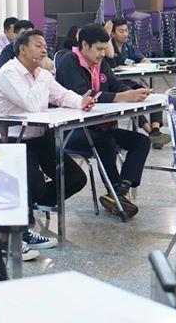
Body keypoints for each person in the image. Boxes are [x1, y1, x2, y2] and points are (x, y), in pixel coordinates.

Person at [0, 29, 91, 248]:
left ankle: (34, 203)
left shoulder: (39, 73)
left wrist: (81, 102)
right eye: (38, 45)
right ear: (22, 49)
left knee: (75, 178)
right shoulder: (9, 73)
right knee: (32, 181)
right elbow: (32, 104)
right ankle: (23, 230)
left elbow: (62, 95)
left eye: (45, 45)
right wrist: (46, 73)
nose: (44, 50)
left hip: (39, 137)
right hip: (13, 141)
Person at [56, 24, 151, 218]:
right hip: (71, 130)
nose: (102, 54)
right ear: (84, 45)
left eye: (104, 49)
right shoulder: (69, 61)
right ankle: (116, 192)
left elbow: (115, 85)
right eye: (99, 49)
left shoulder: (100, 63)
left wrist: (134, 94)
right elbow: (82, 95)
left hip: (99, 126)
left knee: (142, 141)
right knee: (104, 140)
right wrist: (122, 97)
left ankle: (120, 191)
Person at [105, 18, 171, 149]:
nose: (125, 34)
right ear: (112, 34)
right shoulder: (108, 47)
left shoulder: (129, 48)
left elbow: (145, 61)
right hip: (115, 87)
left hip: (129, 82)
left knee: (150, 95)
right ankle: (151, 133)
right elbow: (109, 61)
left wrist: (135, 65)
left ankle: (155, 130)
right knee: (135, 98)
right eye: (121, 31)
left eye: (126, 30)